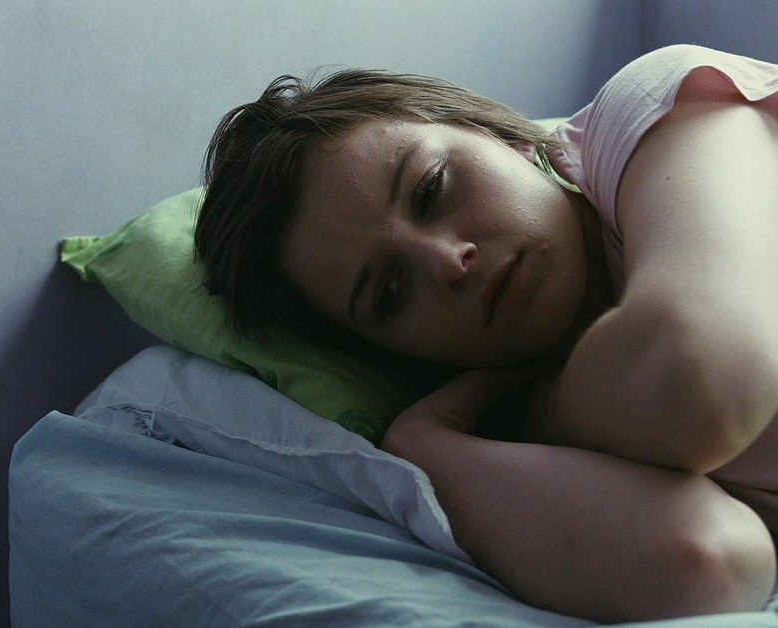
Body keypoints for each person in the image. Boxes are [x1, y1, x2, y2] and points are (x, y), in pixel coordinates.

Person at [195, 44, 778, 623]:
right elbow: (707, 566)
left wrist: (543, 416)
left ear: (499, 135)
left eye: (430, 190)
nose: (448, 262)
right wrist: (425, 450)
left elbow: (696, 382)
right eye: (390, 293)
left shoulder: (650, 111)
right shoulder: (520, 441)